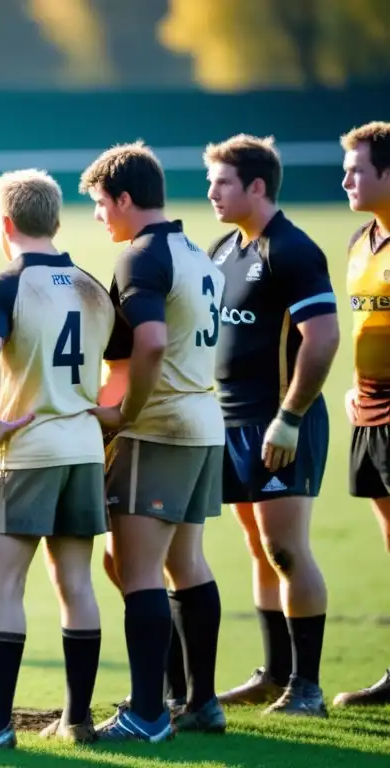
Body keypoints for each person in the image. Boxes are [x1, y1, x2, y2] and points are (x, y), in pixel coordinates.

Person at [0, 170, 112, 749]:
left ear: (6, 224)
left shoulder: (3, 285)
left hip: (26, 455)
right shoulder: (93, 285)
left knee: (5, 586)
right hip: (85, 451)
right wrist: (112, 412)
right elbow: (131, 357)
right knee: (77, 585)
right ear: (57, 221)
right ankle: (79, 720)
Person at [80, 142, 226, 741]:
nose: (97, 217)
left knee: (134, 567)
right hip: (202, 423)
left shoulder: (140, 257)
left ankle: (145, 715)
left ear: (124, 198)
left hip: (158, 425)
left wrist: (124, 414)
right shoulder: (196, 251)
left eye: (99, 203)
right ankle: (199, 701)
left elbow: (153, 343)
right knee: (183, 563)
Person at [205, 135, 338, 718]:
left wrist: (289, 418)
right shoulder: (223, 250)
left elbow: (324, 337)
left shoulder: (292, 250)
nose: (211, 192)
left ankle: (305, 687)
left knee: (286, 549)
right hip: (231, 423)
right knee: (259, 550)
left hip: (280, 425)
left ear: (257, 186)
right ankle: (273, 675)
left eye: (223, 183)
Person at [334, 120, 390, 707]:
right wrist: (354, 386)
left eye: (356, 169)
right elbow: (366, 325)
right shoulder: (358, 242)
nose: (345, 178)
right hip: (369, 414)